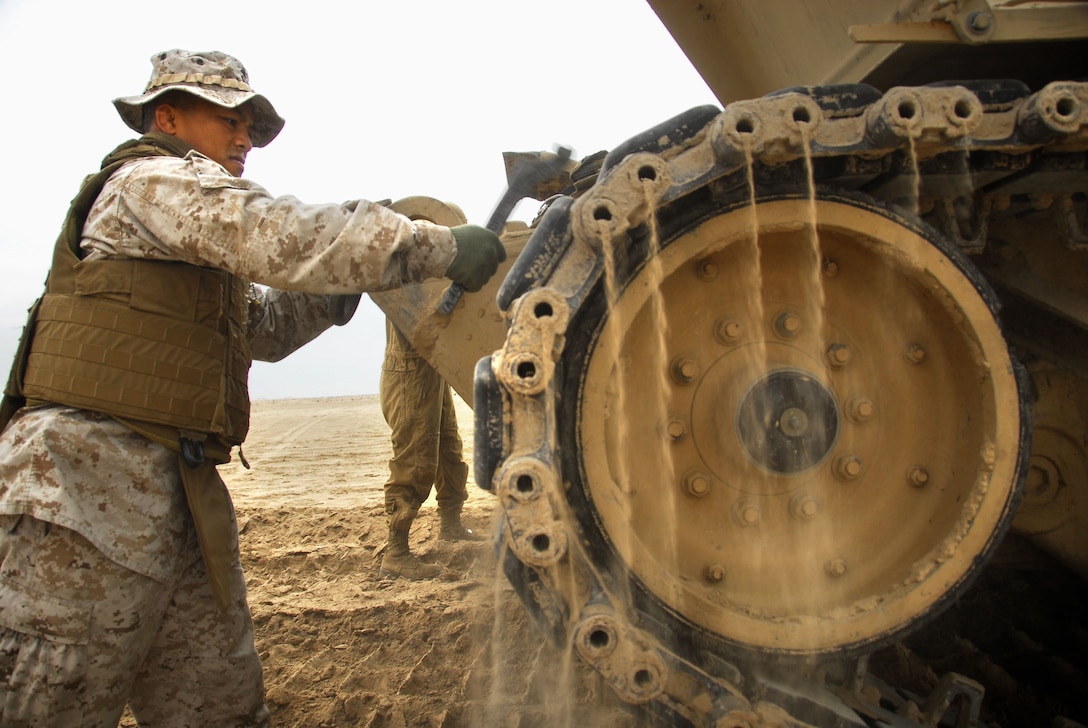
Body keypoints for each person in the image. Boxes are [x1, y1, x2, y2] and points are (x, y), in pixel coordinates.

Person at [0, 48, 504, 726]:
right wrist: (427, 244)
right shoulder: (150, 183)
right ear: (168, 116)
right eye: (228, 120)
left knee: (222, 707)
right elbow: (277, 234)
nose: (244, 140)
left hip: (177, 498)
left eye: (251, 127)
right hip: (82, 498)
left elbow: (262, 329)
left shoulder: (189, 237)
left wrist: (359, 275)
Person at [379, 318, 482, 580]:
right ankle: (396, 553)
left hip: (432, 360)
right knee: (415, 462)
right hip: (410, 367)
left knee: (449, 451)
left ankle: (450, 525)